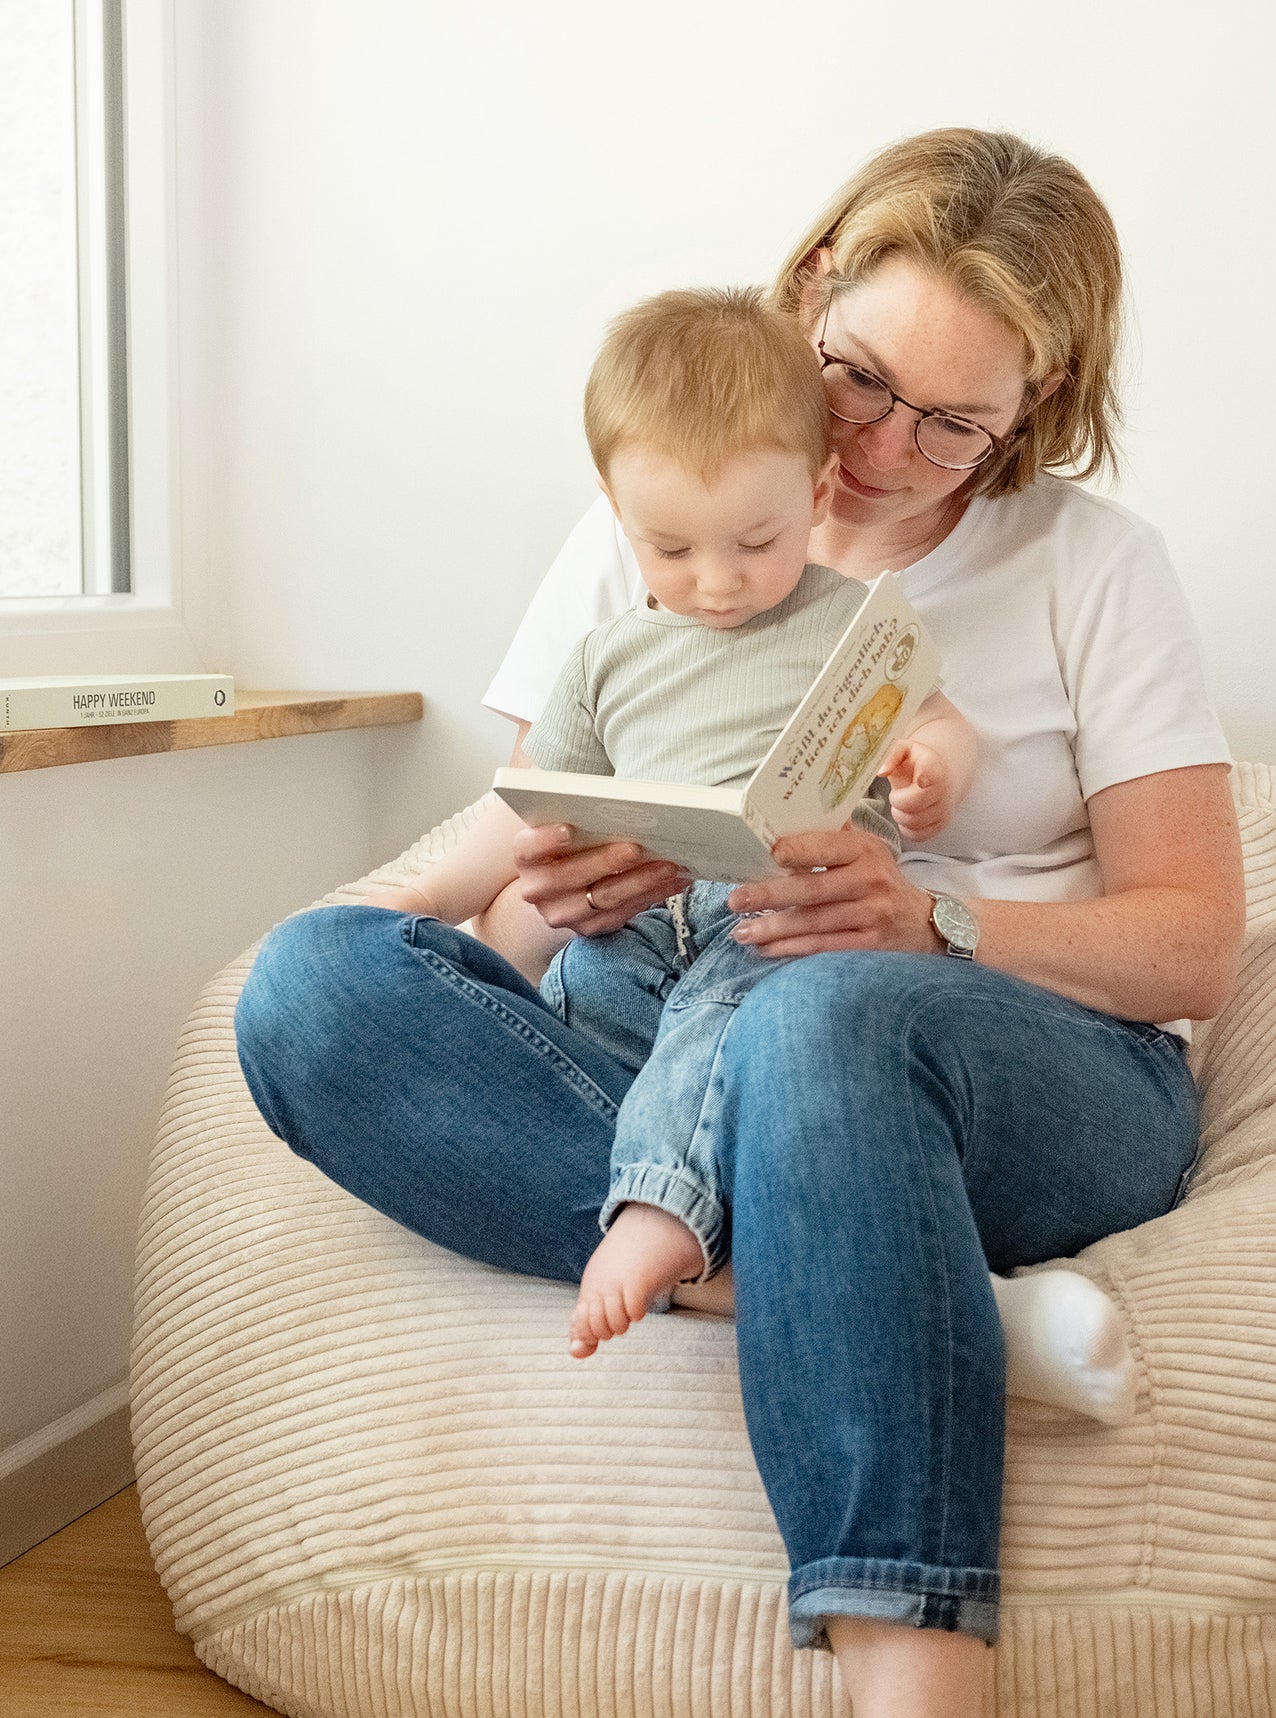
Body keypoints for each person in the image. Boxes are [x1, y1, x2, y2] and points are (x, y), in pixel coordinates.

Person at [234, 128, 1245, 1718]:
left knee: (827, 1008)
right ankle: (897, 1293)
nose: (879, 452)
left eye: (957, 424)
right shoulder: (667, 503)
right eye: (860, 380)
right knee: (312, 978)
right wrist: (540, 893)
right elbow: (522, 824)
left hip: (1006, 1054)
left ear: (1044, 406)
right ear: (803, 307)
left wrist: (936, 916)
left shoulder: (1094, 567)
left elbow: (1194, 951)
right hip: (698, 1023)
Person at [357, 285, 978, 1359]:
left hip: (781, 919)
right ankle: (737, 1256)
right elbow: (528, 809)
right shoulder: (607, 655)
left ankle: (657, 1220)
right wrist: (418, 905)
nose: (720, 583)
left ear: (820, 484)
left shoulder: (848, 621)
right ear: (614, 510)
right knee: (562, 1010)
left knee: (742, 1015)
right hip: (632, 928)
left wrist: (930, 768)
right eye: (672, 550)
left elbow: (936, 719)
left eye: (757, 539)